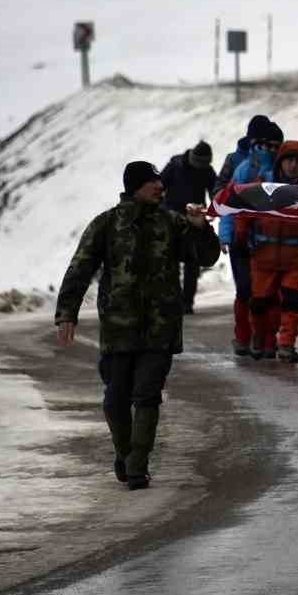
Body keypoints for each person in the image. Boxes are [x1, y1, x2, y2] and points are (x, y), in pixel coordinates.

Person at [55, 161, 219, 489]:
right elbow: (80, 267)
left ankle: (137, 466)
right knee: (115, 400)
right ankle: (126, 452)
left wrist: (200, 227)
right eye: (152, 183)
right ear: (135, 187)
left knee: (147, 395)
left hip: (160, 328)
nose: (160, 187)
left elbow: (205, 257)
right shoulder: (107, 224)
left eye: (160, 182)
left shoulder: (172, 223)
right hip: (118, 327)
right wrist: (66, 313)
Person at [240, 140, 298, 364]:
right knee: (259, 303)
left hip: (296, 257)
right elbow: (245, 210)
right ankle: (259, 339)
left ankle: (286, 345)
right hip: (264, 256)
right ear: (280, 162)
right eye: (288, 160)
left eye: (296, 162)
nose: (292, 166)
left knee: (292, 303)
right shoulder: (262, 184)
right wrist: (240, 234)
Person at [221, 117, 282, 359]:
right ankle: (244, 337)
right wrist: (226, 234)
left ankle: (267, 338)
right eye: (268, 144)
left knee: (268, 292)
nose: (272, 149)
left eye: (276, 145)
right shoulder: (242, 166)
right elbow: (227, 200)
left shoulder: (285, 167)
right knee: (245, 290)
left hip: (268, 240)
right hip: (241, 238)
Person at [160, 140, 217, 313]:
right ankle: (174, 299)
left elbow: (215, 191)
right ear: (193, 157)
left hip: (194, 218)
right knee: (171, 261)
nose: (201, 167)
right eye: (199, 163)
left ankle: (187, 302)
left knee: (193, 260)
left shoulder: (207, 170)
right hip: (171, 218)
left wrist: (214, 208)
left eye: (204, 164)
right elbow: (159, 186)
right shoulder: (175, 165)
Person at [216, 115, 271, 192]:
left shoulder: (273, 156)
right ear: (250, 137)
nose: (261, 145)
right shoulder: (232, 159)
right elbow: (218, 190)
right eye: (257, 139)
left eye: (265, 141)